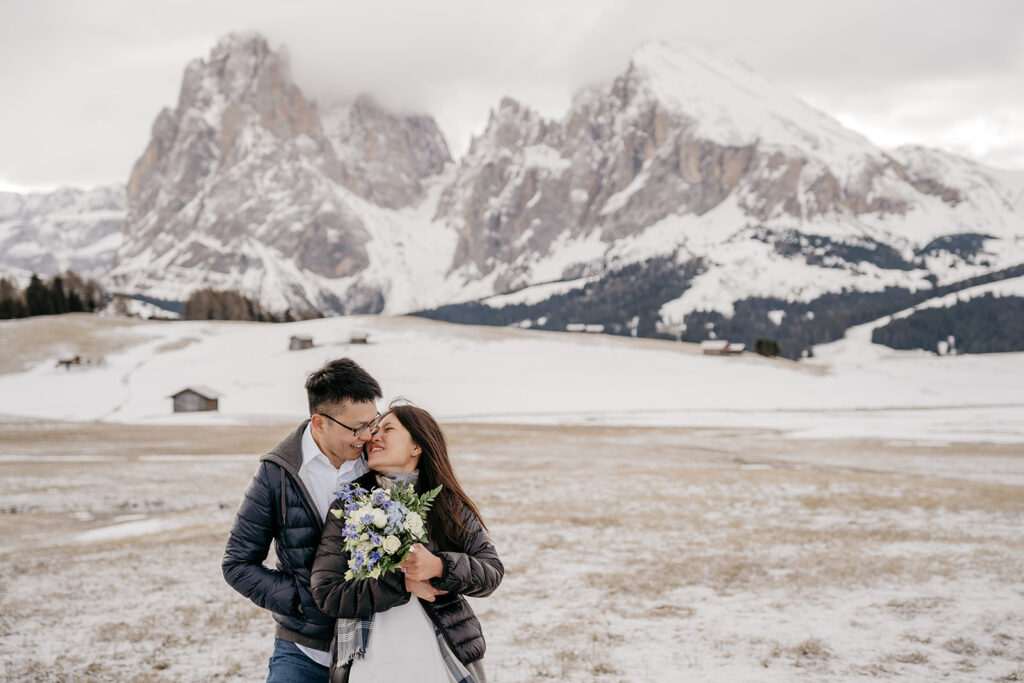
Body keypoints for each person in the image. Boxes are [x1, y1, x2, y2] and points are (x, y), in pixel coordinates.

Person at [312, 403, 503, 683]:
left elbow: (491, 572)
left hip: (438, 653)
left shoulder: (448, 505)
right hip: (369, 659)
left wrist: (439, 566)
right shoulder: (349, 505)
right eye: (373, 430)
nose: (373, 437)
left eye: (387, 429)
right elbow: (327, 592)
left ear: (416, 446)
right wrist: (401, 583)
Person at [223, 357, 384, 682]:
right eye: (357, 428)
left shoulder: (379, 461)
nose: (367, 435)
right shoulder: (277, 474)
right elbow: (237, 564)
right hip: (304, 648)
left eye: (373, 422)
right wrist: (300, 600)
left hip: (377, 645)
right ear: (319, 422)